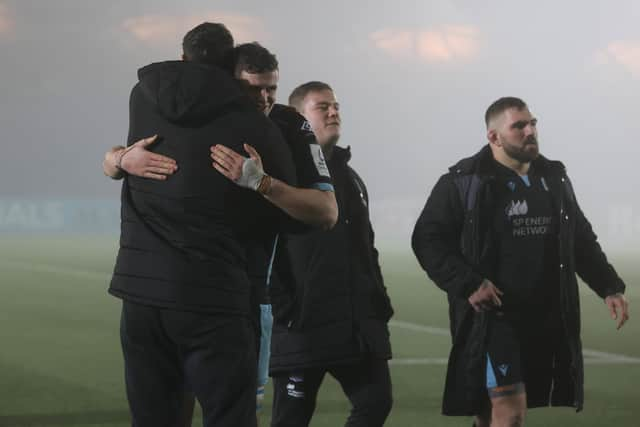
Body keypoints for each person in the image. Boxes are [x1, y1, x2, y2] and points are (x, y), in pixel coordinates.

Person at [104, 42, 337, 423]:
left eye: (270, 90)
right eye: (252, 90)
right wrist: (118, 158)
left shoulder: (289, 125)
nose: (263, 99)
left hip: (247, 297)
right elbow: (119, 155)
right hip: (190, 298)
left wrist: (263, 184)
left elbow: (326, 212)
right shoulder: (188, 113)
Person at [411, 96, 630, 426]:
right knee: (511, 414)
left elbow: (580, 240)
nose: (530, 131)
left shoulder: (553, 179)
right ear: (494, 137)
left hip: (545, 317)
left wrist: (609, 287)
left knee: (488, 415)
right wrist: (469, 283)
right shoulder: (463, 182)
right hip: (495, 320)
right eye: (519, 126)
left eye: (533, 123)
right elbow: (427, 240)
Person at [217, 81, 394, 427]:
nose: (333, 112)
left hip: (356, 324)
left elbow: (365, 249)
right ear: (300, 118)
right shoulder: (282, 171)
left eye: (336, 106)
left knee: (376, 404)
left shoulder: (351, 177)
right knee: (291, 420)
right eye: (322, 107)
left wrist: (378, 303)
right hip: (302, 324)